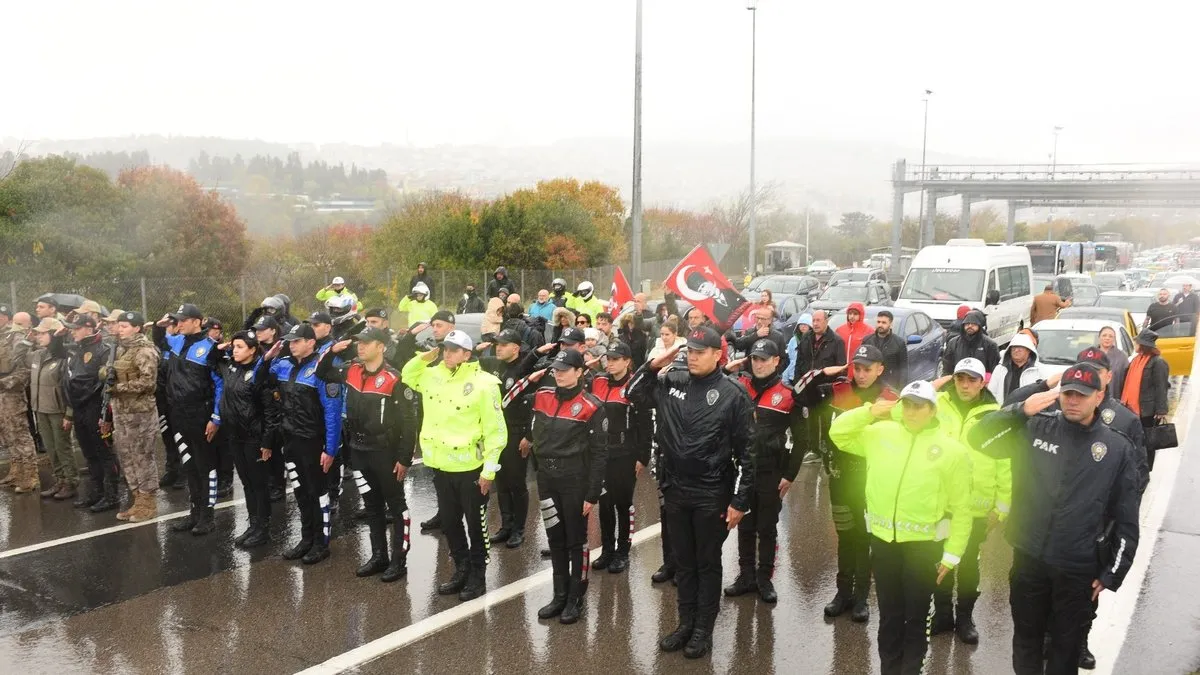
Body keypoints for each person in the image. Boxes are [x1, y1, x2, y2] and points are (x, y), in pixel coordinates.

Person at [970, 363, 1140, 675]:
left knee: (1065, 648)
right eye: (1068, 393)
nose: (1073, 400)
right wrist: (1019, 410)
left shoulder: (1117, 448)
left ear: (1098, 397)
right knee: (1026, 638)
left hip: (1077, 568)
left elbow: (1127, 518)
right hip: (1028, 558)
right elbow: (979, 440)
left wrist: (1111, 574)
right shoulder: (1035, 427)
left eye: (1081, 395)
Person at [627, 326, 755, 660]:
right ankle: (685, 623)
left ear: (718, 354)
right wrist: (654, 365)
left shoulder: (733, 393)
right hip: (676, 489)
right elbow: (633, 393)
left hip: (712, 491)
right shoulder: (672, 381)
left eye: (701, 351)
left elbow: (747, 454)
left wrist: (740, 501)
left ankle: (703, 630)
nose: (693, 356)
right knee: (683, 563)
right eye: (690, 351)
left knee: (706, 563)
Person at [829, 380, 973, 675]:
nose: (911, 411)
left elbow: (962, 509)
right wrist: (870, 411)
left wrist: (952, 555)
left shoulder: (952, 451)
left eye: (919, 405)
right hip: (883, 544)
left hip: (923, 548)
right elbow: (838, 433)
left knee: (915, 620)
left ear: (932, 410)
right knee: (890, 619)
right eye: (906, 404)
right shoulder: (880, 434)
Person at [402, 330, 506, 601]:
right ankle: (461, 568)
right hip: (440, 464)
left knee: (476, 525)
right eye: (445, 348)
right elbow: (408, 375)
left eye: (454, 349)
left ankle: (478, 575)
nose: (447, 353)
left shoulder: (484, 383)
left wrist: (489, 470)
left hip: (471, 468)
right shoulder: (431, 375)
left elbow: (496, 432)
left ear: (467, 354)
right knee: (449, 523)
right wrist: (424, 357)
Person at [517, 349, 608, 624]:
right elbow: (509, 400)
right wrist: (531, 373)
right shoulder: (542, 396)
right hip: (546, 478)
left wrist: (592, 493)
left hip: (574, 480)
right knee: (555, 538)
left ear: (580, 372)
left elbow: (600, 454)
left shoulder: (592, 406)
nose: (559, 373)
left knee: (575, 541)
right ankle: (559, 595)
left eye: (566, 369)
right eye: (556, 368)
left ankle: (575, 598)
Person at [320, 329, 413, 582]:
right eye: (359, 343)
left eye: (366, 343)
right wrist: (331, 352)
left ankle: (398, 560)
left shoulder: (394, 378)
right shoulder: (352, 370)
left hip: (385, 452)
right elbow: (322, 372)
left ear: (380, 346)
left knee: (396, 507)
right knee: (372, 506)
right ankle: (378, 556)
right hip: (359, 452)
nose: (360, 347)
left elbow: (408, 421)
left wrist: (404, 458)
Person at [816, 344, 895, 623]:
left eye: (867, 369)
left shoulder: (889, 398)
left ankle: (861, 596)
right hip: (840, 476)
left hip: (869, 479)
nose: (860, 375)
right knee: (846, 536)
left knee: (864, 538)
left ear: (880, 369)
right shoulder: (838, 390)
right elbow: (815, 415)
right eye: (857, 368)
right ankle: (843, 593)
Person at [927, 358, 1003, 645]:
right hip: (941, 502)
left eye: (972, 380)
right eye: (960, 379)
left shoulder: (994, 415)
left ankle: (965, 618)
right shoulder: (937, 404)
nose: (965, 385)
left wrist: (1002, 507)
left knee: (969, 563)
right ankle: (943, 615)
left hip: (975, 506)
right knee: (941, 560)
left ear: (982, 382)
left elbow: (1006, 461)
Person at [723, 339, 804, 604]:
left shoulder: (788, 394)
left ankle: (764, 578)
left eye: (763, 359)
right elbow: (713, 386)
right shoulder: (739, 386)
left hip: (771, 470)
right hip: (743, 470)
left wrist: (790, 475)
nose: (758, 364)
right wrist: (726, 369)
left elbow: (800, 439)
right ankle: (745, 575)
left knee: (766, 527)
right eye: (754, 359)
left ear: (776, 361)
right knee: (744, 524)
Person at [263, 323, 343, 564]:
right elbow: (260, 380)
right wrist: (268, 359)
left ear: (311, 342)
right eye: (290, 341)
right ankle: (307, 538)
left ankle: (322, 543)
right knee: (300, 492)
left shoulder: (322, 369)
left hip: (313, 441)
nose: (291, 345)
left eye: (297, 341)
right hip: (291, 440)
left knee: (318, 493)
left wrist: (330, 449)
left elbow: (332, 412)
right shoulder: (284, 365)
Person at [155, 304, 224, 534]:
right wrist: (159, 327)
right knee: (190, 466)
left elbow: (220, 385)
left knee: (206, 467)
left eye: (184, 320)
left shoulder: (211, 349)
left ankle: (208, 516)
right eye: (178, 320)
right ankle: (194, 513)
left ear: (198, 321)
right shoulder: (177, 342)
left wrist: (215, 417)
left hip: (201, 415)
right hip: (178, 415)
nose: (179, 323)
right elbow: (161, 341)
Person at [589, 341, 651, 575]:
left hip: (625, 453)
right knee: (604, 503)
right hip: (602, 452)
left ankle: (623, 550)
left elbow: (645, 424)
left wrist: (642, 457)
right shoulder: (598, 380)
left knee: (623, 504)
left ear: (627, 361)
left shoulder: (634, 384)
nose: (611, 363)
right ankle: (607, 549)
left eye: (616, 359)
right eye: (608, 358)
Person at [478, 329, 540, 548]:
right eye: (497, 345)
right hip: (497, 433)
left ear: (516, 348)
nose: (498, 348)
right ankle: (506, 525)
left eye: (503, 345)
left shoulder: (527, 370)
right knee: (501, 481)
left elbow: (537, 405)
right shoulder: (495, 366)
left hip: (517, 432)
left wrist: (529, 436)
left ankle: (519, 529)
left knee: (516, 482)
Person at [216, 330, 274, 548]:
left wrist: (267, 442)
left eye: (240, 347)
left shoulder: (260, 373)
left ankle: (263, 529)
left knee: (259, 484)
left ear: (252, 349)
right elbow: (211, 358)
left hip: (254, 438)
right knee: (247, 484)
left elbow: (270, 411)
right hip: (234, 436)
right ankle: (253, 524)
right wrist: (220, 347)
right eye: (234, 346)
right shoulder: (232, 367)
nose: (235, 350)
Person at [56, 314, 120, 509]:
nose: (73, 332)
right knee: (89, 453)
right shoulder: (77, 351)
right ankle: (96, 492)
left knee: (104, 452)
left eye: (76, 328)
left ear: (89, 328)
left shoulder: (104, 350)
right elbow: (71, 377)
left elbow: (103, 382)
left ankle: (111, 496)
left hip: (96, 407)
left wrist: (106, 416)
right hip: (79, 408)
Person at [107, 312, 161, 522]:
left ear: (137, 328)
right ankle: (137, 500)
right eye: (119, 325)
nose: (120, 329)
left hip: (140, 413)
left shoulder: (144, 350)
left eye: (124, 326)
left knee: (142, 456)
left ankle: (148, 503)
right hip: (122, 412)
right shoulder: (119, 349)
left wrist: (118, 387)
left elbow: (149, 383)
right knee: (126, 455)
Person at [29, 318, 77, 499]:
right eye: (37, 333)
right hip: (41, 409)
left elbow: (70, 388)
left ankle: (71, 482)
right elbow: (17, 358)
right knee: (51, 448)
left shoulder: (64, 357)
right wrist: (27, 339)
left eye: (42, 333)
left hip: (58, 411)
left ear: (54, 335)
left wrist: (69, 414)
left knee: (62, 448)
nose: (38, 336)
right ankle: (60, 480)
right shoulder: (38, 355)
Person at [1120, 329, 1170, 470]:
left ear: (1143, 344)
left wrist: (1161, 409)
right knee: (1134, 439)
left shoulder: (1158, 363)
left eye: (1136, 342)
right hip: (1130, 407)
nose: (1134, 344)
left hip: (1146, 410)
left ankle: (1146, 469)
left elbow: (1161, 386)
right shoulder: (1137, 359)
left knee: (1148, 441)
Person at [0, 307, 36, 492]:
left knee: (20, 434)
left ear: (5, 318)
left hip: (11, 393)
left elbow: (26, 370)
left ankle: (30, 475)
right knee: (6, 434)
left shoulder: (16, 338)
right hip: (1, 395)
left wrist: (5, 383)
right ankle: (17, 469)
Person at [988, 331, 1050, 405]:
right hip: (1003, 413)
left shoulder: (1039, 371)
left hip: (1028, 414)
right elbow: (991, 393)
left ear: (1029, 350)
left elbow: (1044, 396)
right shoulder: (1000, 369)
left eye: (1020, 347)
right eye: (1014, 347)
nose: (1016, 350)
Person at [941, 310, 1000, 376]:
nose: (970, 326)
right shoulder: (953, 343)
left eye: (974, 324)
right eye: (967, 323)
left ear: (979, 325)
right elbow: (947, 368)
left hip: (981, 382)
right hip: (958, 381)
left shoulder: (990, 344)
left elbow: (995, 369)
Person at [733, 307, 789, 376]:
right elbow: (739, 345)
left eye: (763, 319)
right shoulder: (749, 332)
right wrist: (756, 335)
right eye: (757, 318)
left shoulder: (778, 336)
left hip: (769, 376)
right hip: (750, 375)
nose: (759, 321)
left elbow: (783, 359)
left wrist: (774, 372)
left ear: (770, 320)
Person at [861, 310, 908, 390]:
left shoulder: (899, 343)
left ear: (891, 324)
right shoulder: (867, 340)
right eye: (878, 322)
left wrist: (900, 389)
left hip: (890, 386)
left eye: (884, 323)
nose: (880, 325)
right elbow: (861, 363)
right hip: (870, 386)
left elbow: (903, 368)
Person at [836, 302, 874, 380]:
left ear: (861, 315)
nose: (852, 316)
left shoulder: (869, 331)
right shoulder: (840, 330)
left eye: (855, 314)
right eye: (850, 313)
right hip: (841, 371)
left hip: (859, 372)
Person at [781, 313, 813, 386]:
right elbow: (790, 358)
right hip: (793, 375)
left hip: (806, 374)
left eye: (805, 325)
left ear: (810, 326)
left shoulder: (813, 339)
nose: (803, 327)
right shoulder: (793, 340)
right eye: (801, 324)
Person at [1097, 326, 1129, 398]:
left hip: (1114, 396)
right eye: (1104, 335)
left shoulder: (1122, 356)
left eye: (1111, 336)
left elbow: (1127, 381)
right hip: (1094, 397)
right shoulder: (1092, 354)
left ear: (1114, 339)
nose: (1107, 338)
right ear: (1099, 337)